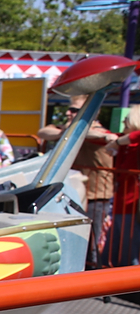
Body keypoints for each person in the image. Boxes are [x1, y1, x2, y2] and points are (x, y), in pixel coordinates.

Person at [38, 95, 118, 268]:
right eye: (70, 109)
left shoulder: (101, 133)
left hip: (97, 195)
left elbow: (97, 135)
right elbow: (43, 132)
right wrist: (67, 132)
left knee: (94, 239)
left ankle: (96, 273)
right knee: (74, 236)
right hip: (74, 194)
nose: (68, 113)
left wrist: (74, 131)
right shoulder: (70, 130)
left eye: (75, 110)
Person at [102, 105, 140, 267]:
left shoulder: (131, 141)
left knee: (129, 251)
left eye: (127, 119)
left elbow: (136, 136)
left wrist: (116, 142)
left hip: (133, 204)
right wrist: (108, 139)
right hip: (120, 202)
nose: (123, 122)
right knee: (113, 249)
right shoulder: (124, 141)